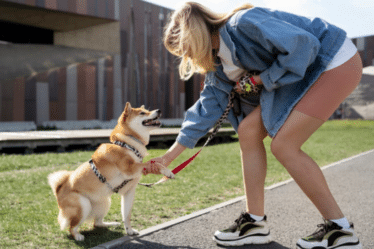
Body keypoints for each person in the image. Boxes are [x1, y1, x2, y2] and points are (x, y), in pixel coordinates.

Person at [144, 2, 363, 248]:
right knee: (248, 131)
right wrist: (168, 158)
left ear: (194, 35)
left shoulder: (243, 24)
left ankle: (340, 230)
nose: (188, 58)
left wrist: (260, 79)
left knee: (284, 146)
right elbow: (204, 111)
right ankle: (255, 224)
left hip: (334, 60)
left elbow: (304, 46)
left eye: (186, 50)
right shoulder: (217, 67)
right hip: (305, 72)